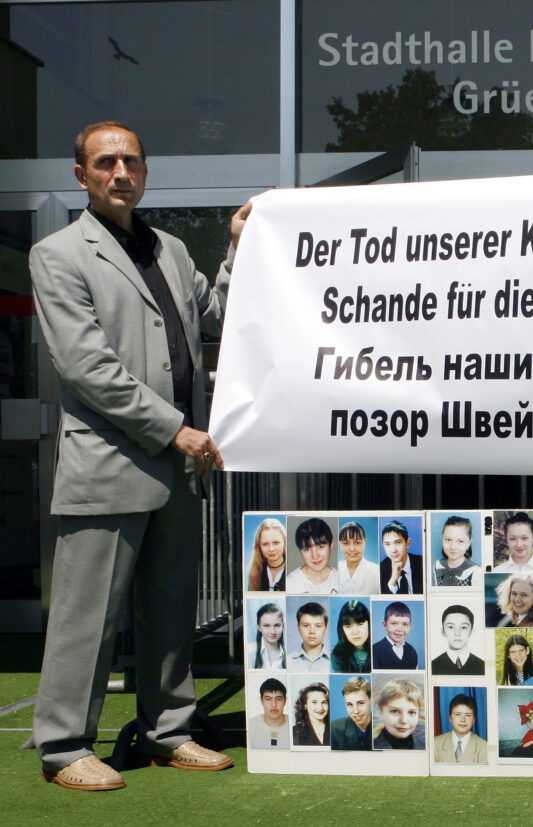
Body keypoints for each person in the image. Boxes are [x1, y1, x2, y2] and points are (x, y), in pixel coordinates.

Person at [29, 121, 245, 789]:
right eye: (105, 162)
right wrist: (175, 428)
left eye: (131, 161)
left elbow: (221, 316)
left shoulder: (171, 250)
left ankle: (166, 732)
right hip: (109, 463)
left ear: (145, 171)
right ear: (81, 175)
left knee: (171, 610)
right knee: (86, 617)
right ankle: (64, 746)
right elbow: (86, 367)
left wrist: (238, 248)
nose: (120, 172)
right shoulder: (57, 254)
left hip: (176, 468)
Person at [288, 517, 340, 594]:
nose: (315, 556)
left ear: (331, 544)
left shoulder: (341, 580)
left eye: (320, 547)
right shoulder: (290, 583)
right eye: (307, 549)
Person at [431, 604, 485, 675]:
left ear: (472, 632)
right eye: (451, 627)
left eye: (463, 627)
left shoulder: (483, 666)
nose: (457, 633)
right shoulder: (433, 666)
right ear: (443, 632)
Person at [372, 679, 426, 750]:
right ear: (380, 712)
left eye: (411, 712)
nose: (404, 721)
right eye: (395, 711)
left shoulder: (424, 747)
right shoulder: (370, 748)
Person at [434, 694, 488, 763]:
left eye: (468, 715)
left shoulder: (484, 747)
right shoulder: (435, 743)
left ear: (474, 720)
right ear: (450, 718)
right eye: (457, 714)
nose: (462, 719)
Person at [433, 515, 482, 587]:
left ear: (468, 543)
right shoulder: (437, 565)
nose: (453, 547)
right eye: (448, 540)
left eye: (460, 541)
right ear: (442, 539)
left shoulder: (476, 571)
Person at [379, 520, 423, 594]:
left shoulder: (422, 562)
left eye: (398, 542)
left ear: (407, 543)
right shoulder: (379, 570)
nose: (393, 550)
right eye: (387, 544)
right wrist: (392, 582)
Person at [336, 521, 380, 595]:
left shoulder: (377, 572)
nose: (352, 549)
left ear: (365, 542)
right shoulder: (333, 572)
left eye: (357, 543)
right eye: (346, 543)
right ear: (339, 544)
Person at [330, 676, 372, 751]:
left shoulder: (385, 727)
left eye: (360, 703)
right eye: (349, 704)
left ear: (371, 700)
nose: (356, 711)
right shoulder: (334, 730)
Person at [371, 601, 418, 669]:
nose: (400, 629)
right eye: (394, 623)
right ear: (385, 625)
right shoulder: (374, 651)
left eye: (405, 624)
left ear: (410, 627)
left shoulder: (412, 651)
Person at [330, 599, 372, 673]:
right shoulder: (336, 655)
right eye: (348, 626)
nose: (355, 632)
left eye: (360, 624)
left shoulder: (379, 651)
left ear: (369, 624)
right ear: (342, 629)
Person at [288, 601, 330, 672]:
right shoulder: (288, 661)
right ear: (298, 628)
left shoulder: (336, 661)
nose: (312, 631)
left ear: (326, 629)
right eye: (306, 626)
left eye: (318, 626)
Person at [247, 517, 287, 592]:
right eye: (265, 544)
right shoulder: (255, 574)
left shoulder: (294, 572)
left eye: (276, 543)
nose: (271, 549)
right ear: (259, 546)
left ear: (284, 543)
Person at [247, 678, 288, 750]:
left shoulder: (295, 726)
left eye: (278, 699)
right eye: (268, 699)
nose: (274, 704)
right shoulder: (251, 726)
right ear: (261, 700)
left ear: (285, 700)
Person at [291, 682, 330, 747]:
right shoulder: (295, 732)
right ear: (305, 705)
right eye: (314, 702)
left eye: (324, 702)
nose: (320, 708)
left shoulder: (335, 730)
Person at [251, 602, 285, 669]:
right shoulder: (250, 652)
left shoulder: (289, 654)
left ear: (283, 626)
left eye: (277, 625)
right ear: (259, 627)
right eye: (266, 626)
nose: (273, 632)